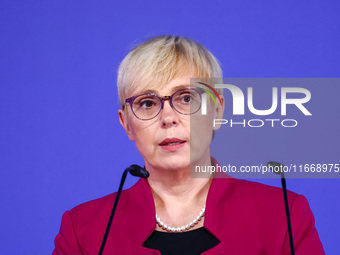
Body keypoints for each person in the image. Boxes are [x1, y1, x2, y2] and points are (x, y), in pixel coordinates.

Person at [53, 35, 325, 255]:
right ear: (126, 125)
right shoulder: (83, 229)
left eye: (186, 98)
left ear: (217, 112)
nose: (168, 118)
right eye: (147, 103)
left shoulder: (284, 214)